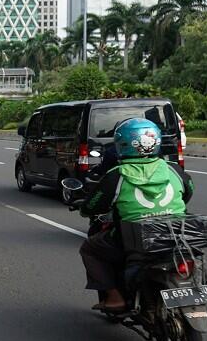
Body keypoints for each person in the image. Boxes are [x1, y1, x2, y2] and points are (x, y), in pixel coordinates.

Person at [78, 118, 194, 312]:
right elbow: (188, 191)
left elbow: (93, 205)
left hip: (135, 238)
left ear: (122, 144)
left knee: (90, 248)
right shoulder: (174, 169)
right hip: (177, 234)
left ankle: (115, 298)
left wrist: (85, 208)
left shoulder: (117, 175)